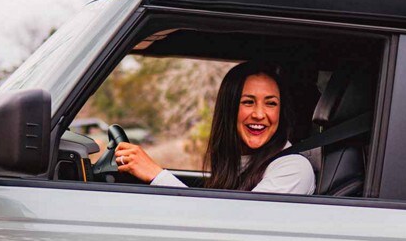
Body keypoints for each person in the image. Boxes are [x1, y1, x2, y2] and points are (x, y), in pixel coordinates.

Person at [113, 61, 316, 195]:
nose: (260, 114)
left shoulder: (293, 168)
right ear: (229, 108)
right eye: (248, 102)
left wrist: (156, 176)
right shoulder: (237, 161)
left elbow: (231, 227)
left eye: (271, 103)